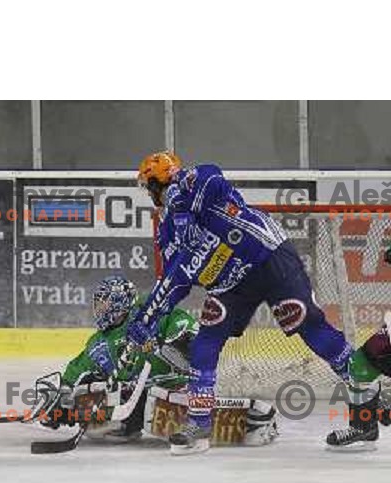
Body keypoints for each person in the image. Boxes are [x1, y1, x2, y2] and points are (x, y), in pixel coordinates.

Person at [125, 152, 365, 454]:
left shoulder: (198, 180)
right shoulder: (168, 228)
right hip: (231, 285)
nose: (149, 195)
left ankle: (366, 390)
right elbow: (175, 279)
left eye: (150, 187)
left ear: (159, 183)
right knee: (205, 344)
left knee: (310, 327)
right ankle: (199, 425)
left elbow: (213, 178)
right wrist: (146, 319)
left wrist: (180, 197)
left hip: (269, 259)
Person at [42, 275, 277, 447]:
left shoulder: (156, 317)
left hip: (174, 386)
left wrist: (160, 347)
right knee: (92, 387)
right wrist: (63, 402)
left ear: (120, 303)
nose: (99, 310)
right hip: (134, 394)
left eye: (104, 303)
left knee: (153, 401)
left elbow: (192, 352)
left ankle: (250, 419)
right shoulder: (98, 342)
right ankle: (127, 423)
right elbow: (75, 372)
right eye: (98, 304)